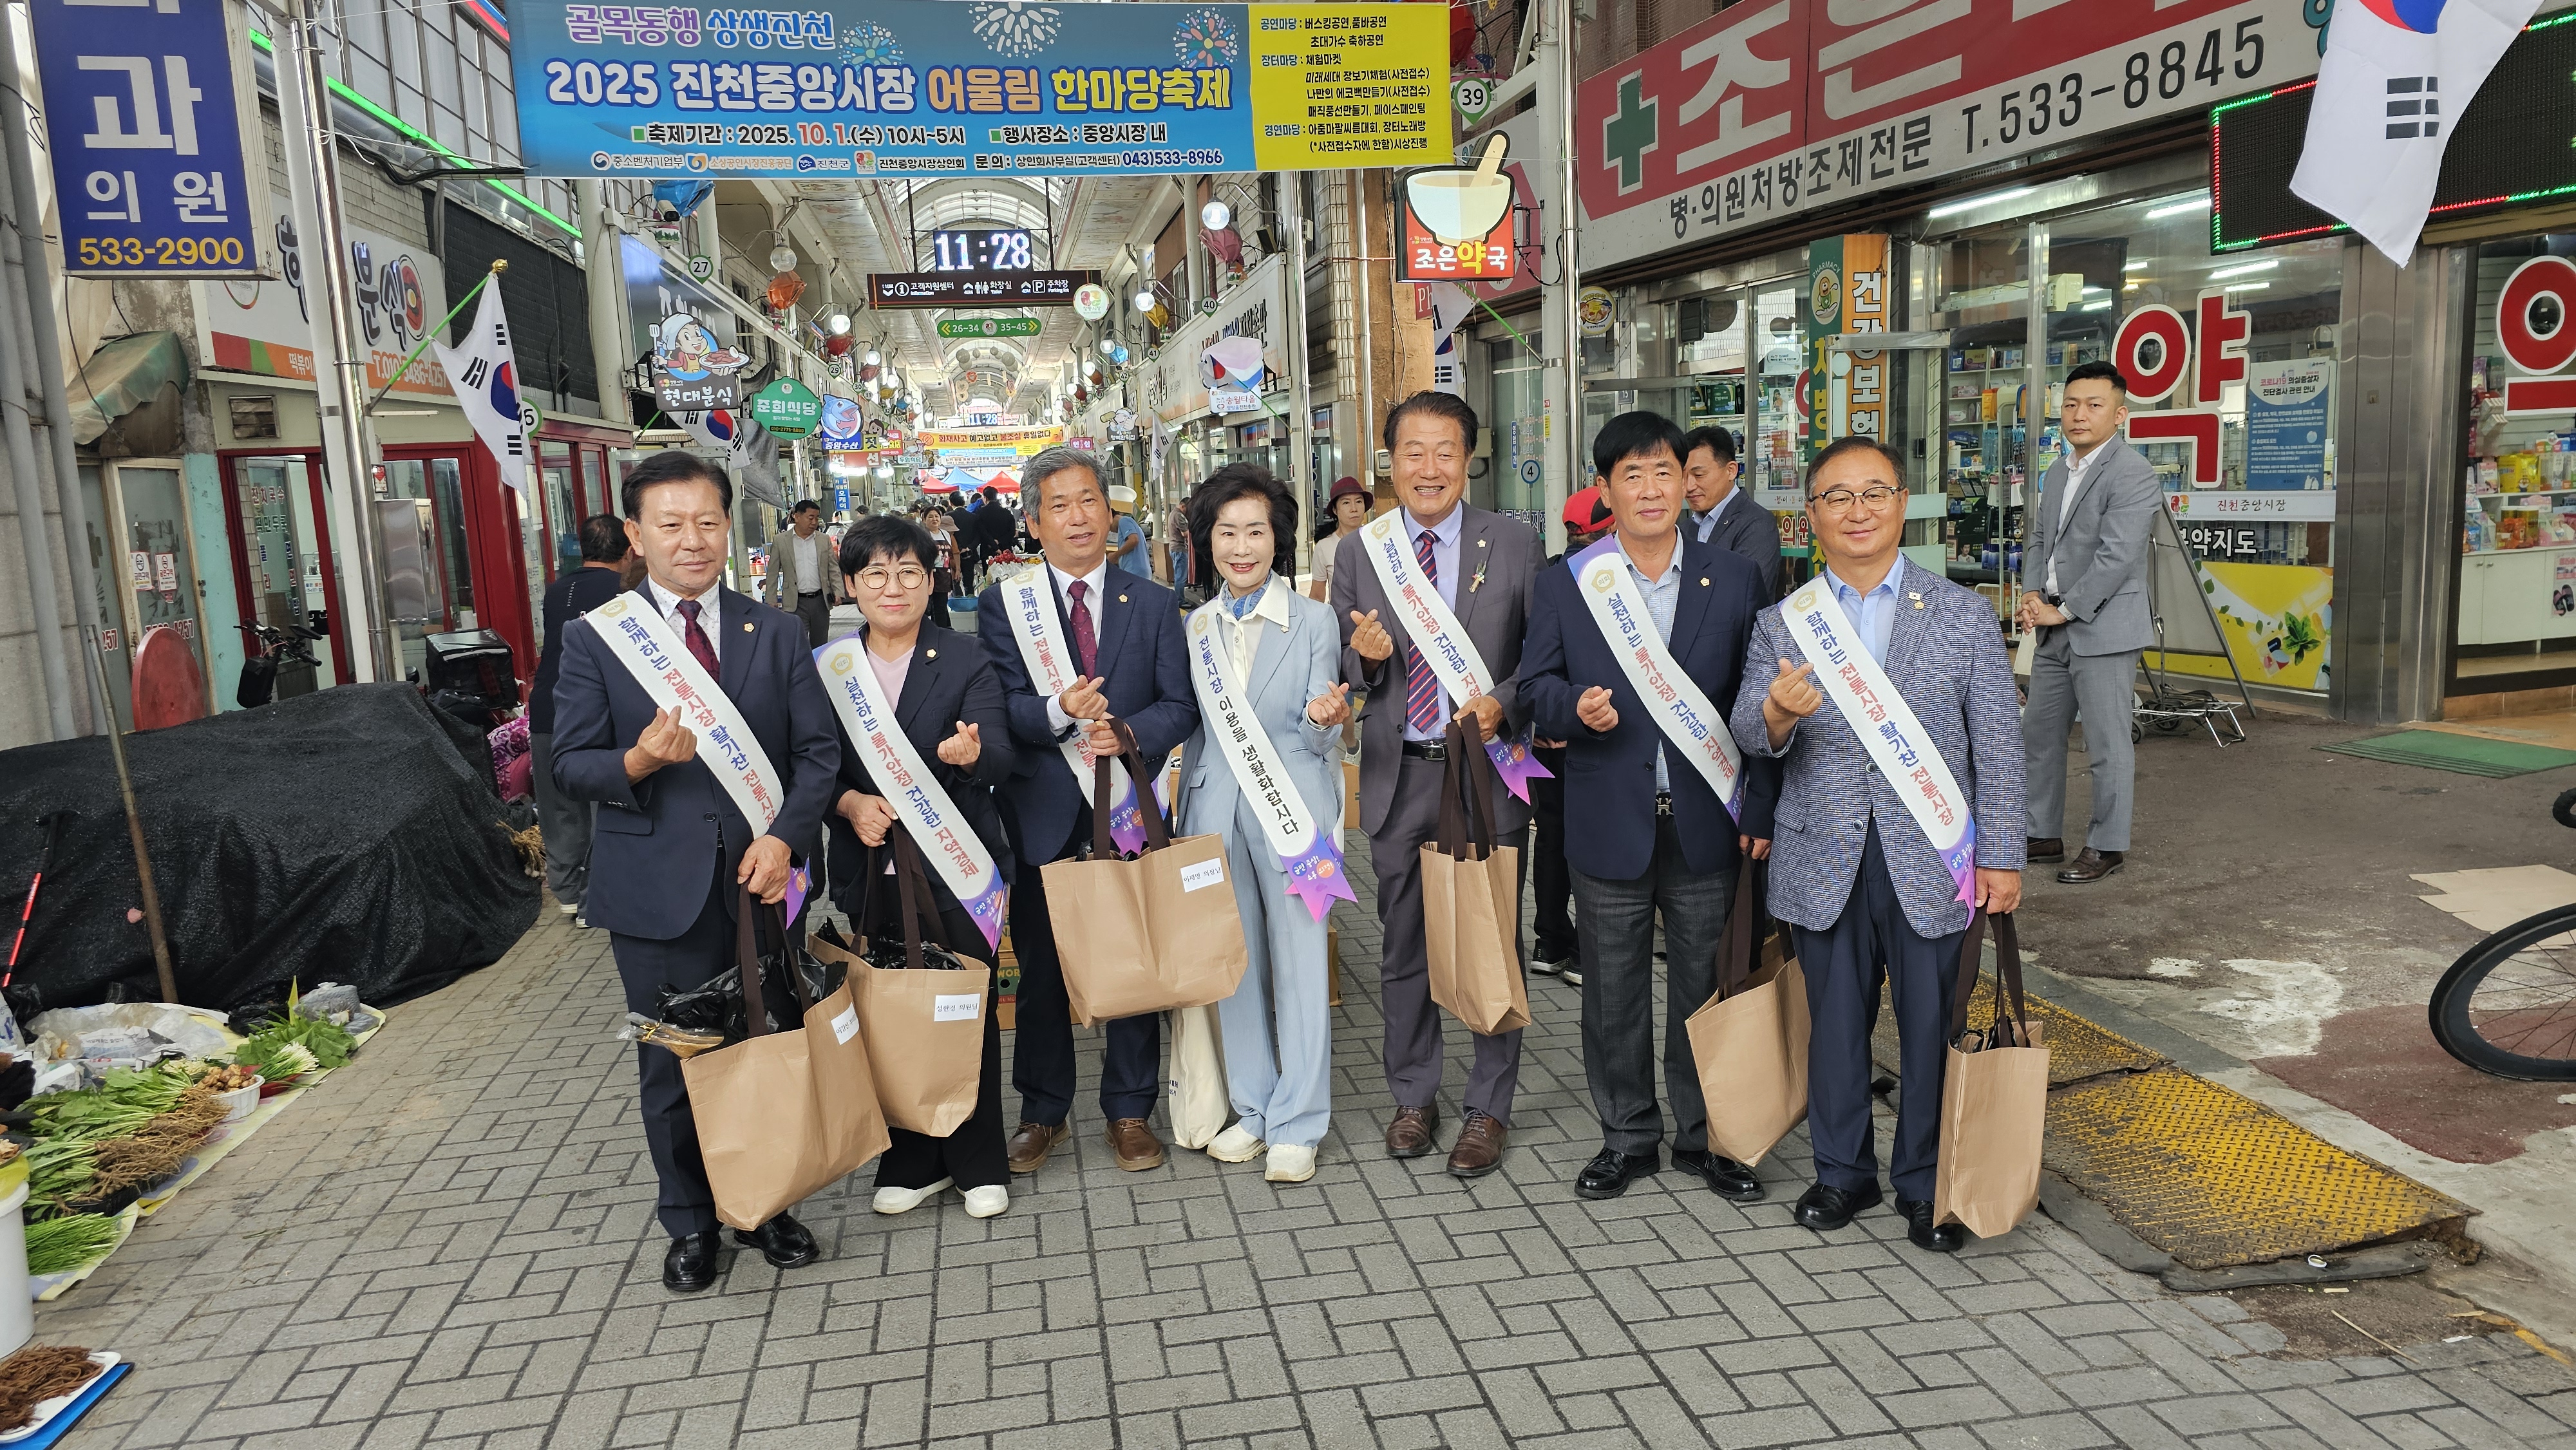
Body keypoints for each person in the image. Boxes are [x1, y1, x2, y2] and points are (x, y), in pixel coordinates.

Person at [550, 451, 841, 1292]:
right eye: (671, 524)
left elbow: (816, 755)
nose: (693, 540)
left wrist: (785, 839)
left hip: (764, 882)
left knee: (766, 1043)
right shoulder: (598, 637)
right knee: (674, 1062)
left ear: (727, 526)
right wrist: (637, 761)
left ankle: (767, 1202)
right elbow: (568, 764)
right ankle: (690, 1221)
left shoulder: (774, 630)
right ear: (636, 535)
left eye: (708, 521)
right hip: (654, 891)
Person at [1728, 435, 2024, 1254]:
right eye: (1837, 496)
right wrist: (1777, 713)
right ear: (1810, 514)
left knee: (1931, 1027)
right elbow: (1747, 726)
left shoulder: (1961, 612)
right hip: (1821, 854)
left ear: (1901, 503)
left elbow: (1999, 746)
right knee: (1832, 1026)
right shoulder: (1783, 621)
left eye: (1874, 492)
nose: (1856, 510)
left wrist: (2003, 855)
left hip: (1932, 857)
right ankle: (1841, 1172)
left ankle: (1926, 1183)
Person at [1522, 413, 1779, 1203]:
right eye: (1630, 475)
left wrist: (1761, 808)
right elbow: (1534, 689)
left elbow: (1758, 700)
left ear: (1687, 481)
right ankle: (1627, 1135)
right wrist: (1573, 709)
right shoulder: (1568, 582)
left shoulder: (1732, 577)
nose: (1650, 488)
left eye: (1665, 471)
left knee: (1707, 988)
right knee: (1612, 992)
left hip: (1707, 817)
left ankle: (1706, 1136)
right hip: (1609, 817)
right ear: (1605, 489)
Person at [1332, 391, 1542, 1178]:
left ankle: (1488, 1106)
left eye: (1444, 451)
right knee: (1403, 946)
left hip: (1484, 775)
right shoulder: (1363, 550)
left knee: (1491, 937)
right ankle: (1413, 1095)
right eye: (1412, 452)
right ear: (1390, 462)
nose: (1429, 467)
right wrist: (1366, 660)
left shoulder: (1513, 542)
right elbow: (1344, 664)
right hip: (1398, 776)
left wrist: (1504, 703)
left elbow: (1539, 657)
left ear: (1468, 458)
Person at [979, 447, 1200, 1176]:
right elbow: (1002, 706)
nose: (1077, 517)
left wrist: (1128, 731)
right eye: (1059, 505)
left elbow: (1180, 704)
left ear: (1110, 514)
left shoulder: (1155, 602)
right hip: (1042, 811)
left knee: (1133, 957)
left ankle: (1130, 1110)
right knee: (1041, 970)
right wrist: (1057, 709)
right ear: (1033, 522)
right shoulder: (1005, 604)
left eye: (1088, 502)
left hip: (1127, 809)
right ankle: (1043, 1112)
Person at [821, 514, 1019, 1221]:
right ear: (851, 585)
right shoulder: (828, 668)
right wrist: (847, 803)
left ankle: (978, 1160)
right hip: (870, 867)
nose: (893, 587)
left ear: (931, 581)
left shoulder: (965, 658)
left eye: (909, 572)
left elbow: (1000, 754)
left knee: (963, 1007)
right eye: (875, 573)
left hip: (955, 864)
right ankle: (911, 1158)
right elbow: (809, 765)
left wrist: (972, 757)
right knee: (888, 1012)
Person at [1171, 464, 1352, 1185]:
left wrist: (1326, 720)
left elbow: (1318, 727)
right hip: (1215, 813)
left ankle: (1300, 1119)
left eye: (1255, 532)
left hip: (1293, 814)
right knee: (1235, 963)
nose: (1241, 547)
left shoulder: (1313, 619)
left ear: (1278, 539)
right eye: (1227, 533)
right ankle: (1253, 1105)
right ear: (1207, 540)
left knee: (1302, 966)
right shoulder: (1196, 626)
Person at [2020, 361, 2157, 884]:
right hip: (2053, 626)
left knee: (2105, 744)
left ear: (2119, 415)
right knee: (2039, 735)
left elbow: (2118, 556)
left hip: (2103, 627)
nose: (2079, 415)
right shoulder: (2059, 471)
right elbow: (2041, 539)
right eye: (2071, 404)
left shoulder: (2133, 473)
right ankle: (2042, 833)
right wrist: (2032, 593)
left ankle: (2107, 844)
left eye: (2094, 405)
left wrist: (2065, 608)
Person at [1526, 485, 1616, 987]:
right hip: (1595, 736)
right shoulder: (1611, 578)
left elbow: (1533, 659)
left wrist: (1546, 722)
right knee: (1588, 840)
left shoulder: (1551, 576)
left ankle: (1549, 941)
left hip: (1551, 735)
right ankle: (1581, 951)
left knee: (1552, 837)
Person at [527, 514, 634, 926]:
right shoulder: (623, 592)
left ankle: (568, 893)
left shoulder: (556, 590)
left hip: (545, 708)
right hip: (593, 711)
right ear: (628, 552)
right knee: (598, 808)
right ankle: (593, 902)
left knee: (557, 807)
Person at [1684, 426, 1783, 599]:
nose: (1689, 486)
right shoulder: (1685, 527)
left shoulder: (1757, 524)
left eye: (1699, 475)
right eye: (1682, 476)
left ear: (1731, 471)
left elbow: (1744, 596)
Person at [767, 499, 842, 648]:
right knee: (797, 645)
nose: (814, 522)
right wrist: (771, 599)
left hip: (820, 601)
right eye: (810, 518)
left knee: (820, 645)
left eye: (817, 518)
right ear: (797, 516)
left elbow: (833, 568)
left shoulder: (823, 540)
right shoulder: (781, 541)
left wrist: (838, 591)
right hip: (795, 603)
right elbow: (773, 572)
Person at [1307, 476, 1370, 603]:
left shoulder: (1376, 540)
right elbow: (1317, 597)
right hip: (1340, 614)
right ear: (1335, 510)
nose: (1354, 509)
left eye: (1359, 501)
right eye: (1346, 503)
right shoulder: (1324, 547)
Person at [1108, 485, 1148, 574]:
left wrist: (1115, 555)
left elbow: (1134, 540)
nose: (1111, 531)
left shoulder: (1124, 521)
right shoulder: (1127, 524)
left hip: (1135, 572)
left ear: (1110, 517)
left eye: (1109, 527)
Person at [925, 508, 961, 603]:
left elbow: (954, 553)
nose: (934, 519)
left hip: (944, 576)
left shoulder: (946, 534)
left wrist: (957, 570)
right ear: (924, 520)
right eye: (930, 517)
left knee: (942, 605)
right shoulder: (923, 535)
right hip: (929, 576)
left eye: (937, 516)